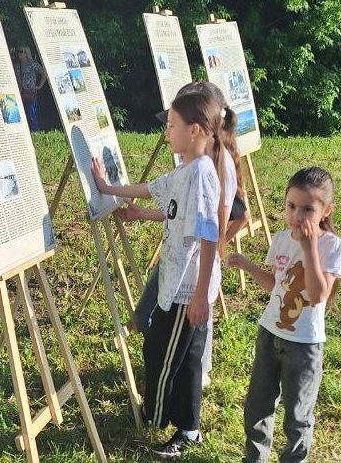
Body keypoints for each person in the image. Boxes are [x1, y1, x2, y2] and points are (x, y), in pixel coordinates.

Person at [91, 90, 225, 459]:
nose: (167, 132)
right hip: (179, 285)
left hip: (188, 291)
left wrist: (200, 295)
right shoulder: (188, 169)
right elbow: (154, 191)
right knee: (181, 356)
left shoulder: (201, 174)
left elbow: (209, 235)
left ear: (195, 130)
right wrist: (108, 189)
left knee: (164, 353)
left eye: (171, 125)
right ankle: (186, 426)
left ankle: (161, 418)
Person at [120, 81, 248, 389]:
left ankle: (192, 375)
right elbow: (184, 209)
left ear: (201, 126)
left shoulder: (217, 165)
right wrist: (145, 214)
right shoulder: (196, 159)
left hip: (195, 264)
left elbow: (231, 218)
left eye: (174, 122)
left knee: (192, 321)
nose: (168, 129)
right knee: (155, 311)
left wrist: (216, 249)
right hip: (180, 256)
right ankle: (170, 364)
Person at [227, 167, 341, 462]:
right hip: (269, 334)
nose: (297, 215)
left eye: (308, 208)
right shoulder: (281, 239)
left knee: (297, 414)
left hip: (304, 345)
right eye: (291, 206)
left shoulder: (331, 246)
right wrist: (248, 266)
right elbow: (275, 283)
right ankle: (254, 458)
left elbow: (319, 296)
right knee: (257, 404)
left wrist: (308, 248)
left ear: (325, 211)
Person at [12, 46, 47, 131]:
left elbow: (44, 73)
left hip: (31, 93)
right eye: (18, 52)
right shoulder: (17, 66)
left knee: (32, 116)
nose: (19, 54)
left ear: (26, 53)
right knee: (20, 116)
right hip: (20, 94)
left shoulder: (33, 64)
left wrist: (39, 86)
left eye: (21, 51)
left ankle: (35, 133)